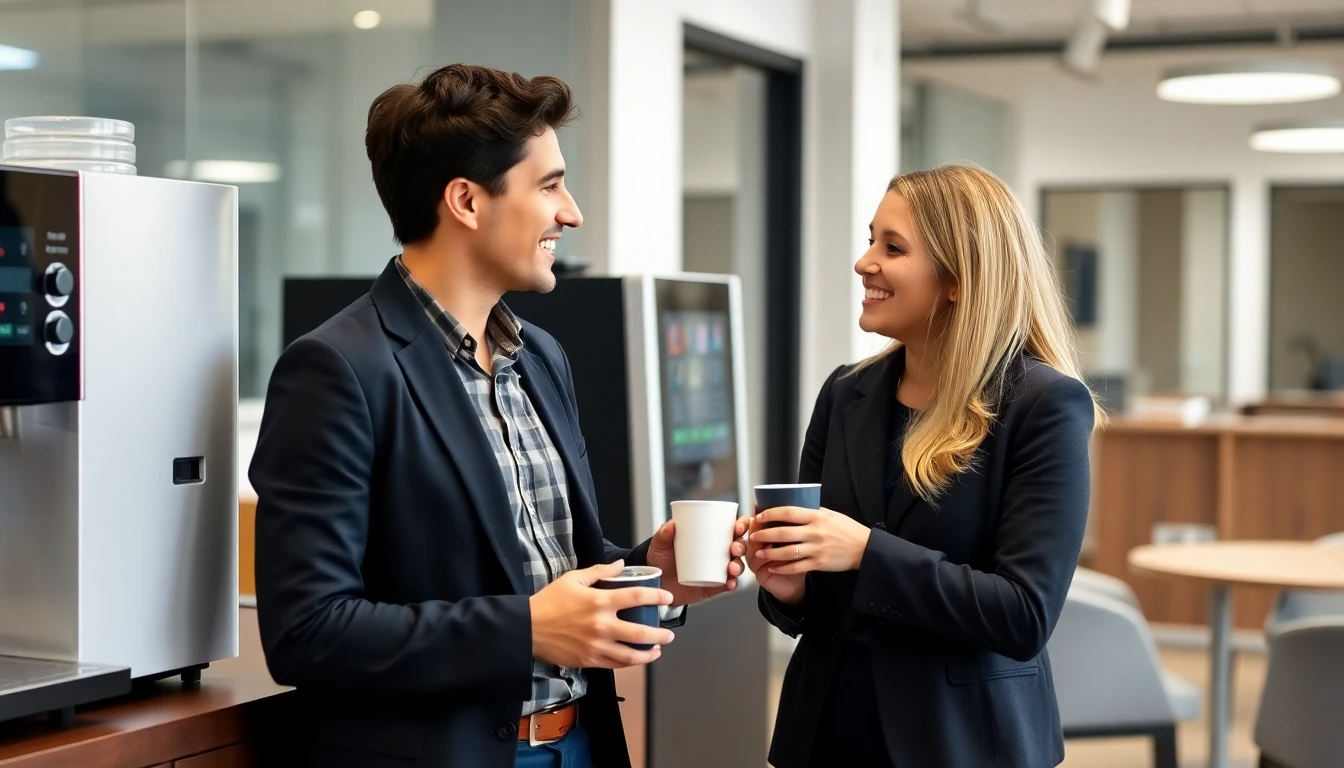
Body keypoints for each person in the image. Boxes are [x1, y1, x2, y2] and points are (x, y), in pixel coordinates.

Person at [249, 63, 748, 768]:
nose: (570, 213)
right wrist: (527, 629)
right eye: (549, 186)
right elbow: (308, 631)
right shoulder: (336, 370)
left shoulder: (540, 356)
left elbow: (546, 574)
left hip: (576, 742)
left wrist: (647, 573)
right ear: (466, 201)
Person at [747, 164, 1104, 768]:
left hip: (963, 740)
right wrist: (790, 586)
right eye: (870, 240)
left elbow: (1023, 615)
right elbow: (815, 606)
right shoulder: (845, 393)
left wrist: (865, 550)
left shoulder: (1043, 405)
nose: (864, 263)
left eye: (893, 247)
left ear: (958, 280)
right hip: (829, 731)